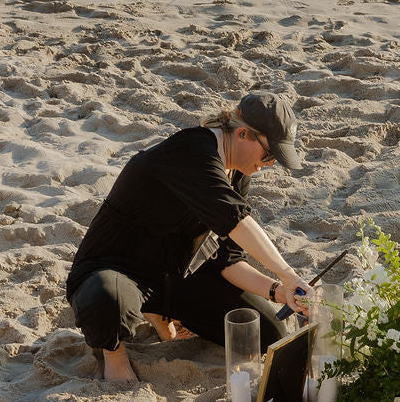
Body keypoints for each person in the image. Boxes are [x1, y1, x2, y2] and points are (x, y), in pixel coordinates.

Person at [66, 91, 312, 384]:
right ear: (243, 134)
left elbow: (228, 260)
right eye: (270, 154)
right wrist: (287, 274)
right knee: (107, 302)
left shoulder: (238, 172)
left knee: (266, 331)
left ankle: (162, 314)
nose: (270, 164)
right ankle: (114, 355)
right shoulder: (192, 150)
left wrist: (279, 292)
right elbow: (236, 221)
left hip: (177, 277)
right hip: (119, 268)